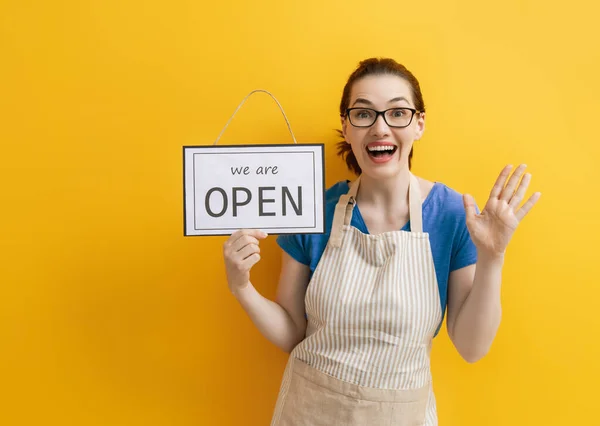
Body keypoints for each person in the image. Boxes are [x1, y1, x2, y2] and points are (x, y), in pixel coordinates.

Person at [222, 57, 541, 425]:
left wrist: (493, 257)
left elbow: (472, 347)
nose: (380, 127)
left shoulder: (452, 215)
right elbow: (293, 331)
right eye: (363, 114)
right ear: (346, 126)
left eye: (397, 113)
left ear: (419, 124)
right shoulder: (311, 212)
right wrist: (241, 287)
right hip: (310, 413)